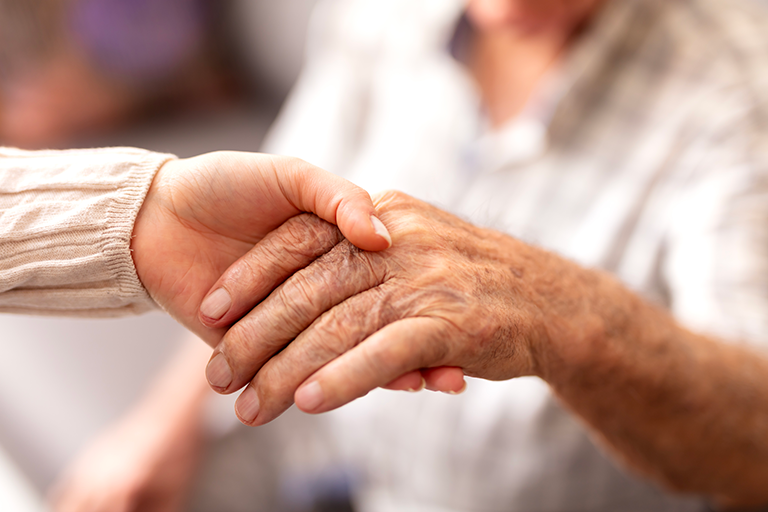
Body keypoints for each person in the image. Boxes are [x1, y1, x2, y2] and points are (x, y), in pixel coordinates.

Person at [49, 0, 768, 511]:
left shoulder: (738, 88)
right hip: (320, 455)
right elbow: (261, 239)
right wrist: (161, 428)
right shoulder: (380, 14)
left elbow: (754, 441)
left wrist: (563, 310)